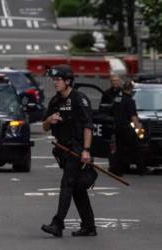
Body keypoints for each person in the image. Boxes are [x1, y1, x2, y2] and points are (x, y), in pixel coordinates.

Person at [41, 64, 97, 237]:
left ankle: (57, 224)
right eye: (54, 80)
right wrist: (49, 119)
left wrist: (86, 150)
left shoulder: (79, 99)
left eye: (58, 80)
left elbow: (88, 126)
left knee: (67, 185)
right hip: (63, 151)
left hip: (77, 150)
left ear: (67, 81)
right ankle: (89, 227)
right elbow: (44, 127)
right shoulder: (55, 101)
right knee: (77, 188)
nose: (55, 83)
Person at [108, 81, 146, 176]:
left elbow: (111, 111)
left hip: (117, 127)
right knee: (136, 148)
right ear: (131, 89)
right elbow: (133, 117)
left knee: (120, 148)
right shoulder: (130, 101)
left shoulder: (117, 98)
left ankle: (116, 168)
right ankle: (141, 169)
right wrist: (139, 130)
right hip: (126, 128)